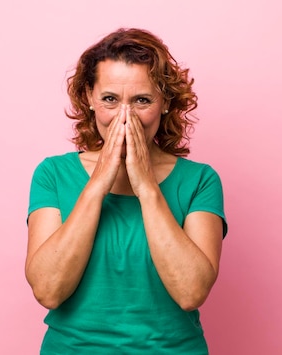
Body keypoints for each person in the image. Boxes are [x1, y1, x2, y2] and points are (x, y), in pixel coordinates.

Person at [25, 28, 228, 354]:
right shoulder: (53, 174)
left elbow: (191, 292)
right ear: (89, 97)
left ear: (164, 103)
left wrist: (146, 186)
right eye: (110, 99)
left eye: (142, 100)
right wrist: (100, 180)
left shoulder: (200, 181)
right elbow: (48, 290)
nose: (124, 117)